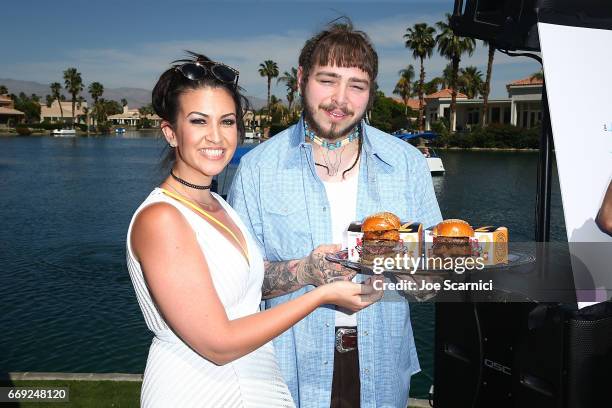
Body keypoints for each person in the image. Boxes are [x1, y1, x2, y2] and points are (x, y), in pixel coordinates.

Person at [126, 52, 383, 408]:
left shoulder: (219, 205)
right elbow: (218, 343)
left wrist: (310, 267)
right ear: (171, 132)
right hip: (200, 390)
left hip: (253, 383)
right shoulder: (162, 218)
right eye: (199, 121)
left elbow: (247, 289)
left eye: (227, 122)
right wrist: (321, 295)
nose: (215, 137)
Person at [228, 20, 442, 408]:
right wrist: (306, 271)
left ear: (370, 93)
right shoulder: (257, 168)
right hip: (288, 367)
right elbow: (240, 284)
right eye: (327, 80)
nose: (340, 99)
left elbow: (430, 284)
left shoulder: (408, 164)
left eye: (356, 86)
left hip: (381, 363)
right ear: (301, 79)